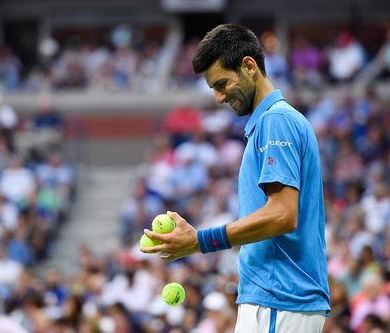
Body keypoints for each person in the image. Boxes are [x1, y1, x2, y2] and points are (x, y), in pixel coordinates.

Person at [141, 23, 331, 332]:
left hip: (279, 298)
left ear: (249, 66)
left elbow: (283, 215)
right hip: (277, 299)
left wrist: (199, 241)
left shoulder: (276, 123)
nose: (217, 97)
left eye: (221, 83)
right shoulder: (271, 123)